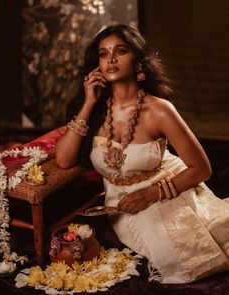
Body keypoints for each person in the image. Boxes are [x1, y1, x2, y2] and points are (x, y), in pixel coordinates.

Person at [56, 24, 229, 284]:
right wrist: (88, 102)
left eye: (120, 51)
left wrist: (151, 194)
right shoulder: (95, 109)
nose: (111, 59)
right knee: (166, 249)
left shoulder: (159, 110)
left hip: (165, 187)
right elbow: (64, 160)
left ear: (138, 62)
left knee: (190, 251)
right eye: (103, 54)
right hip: (120, 203)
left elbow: (202, 168)